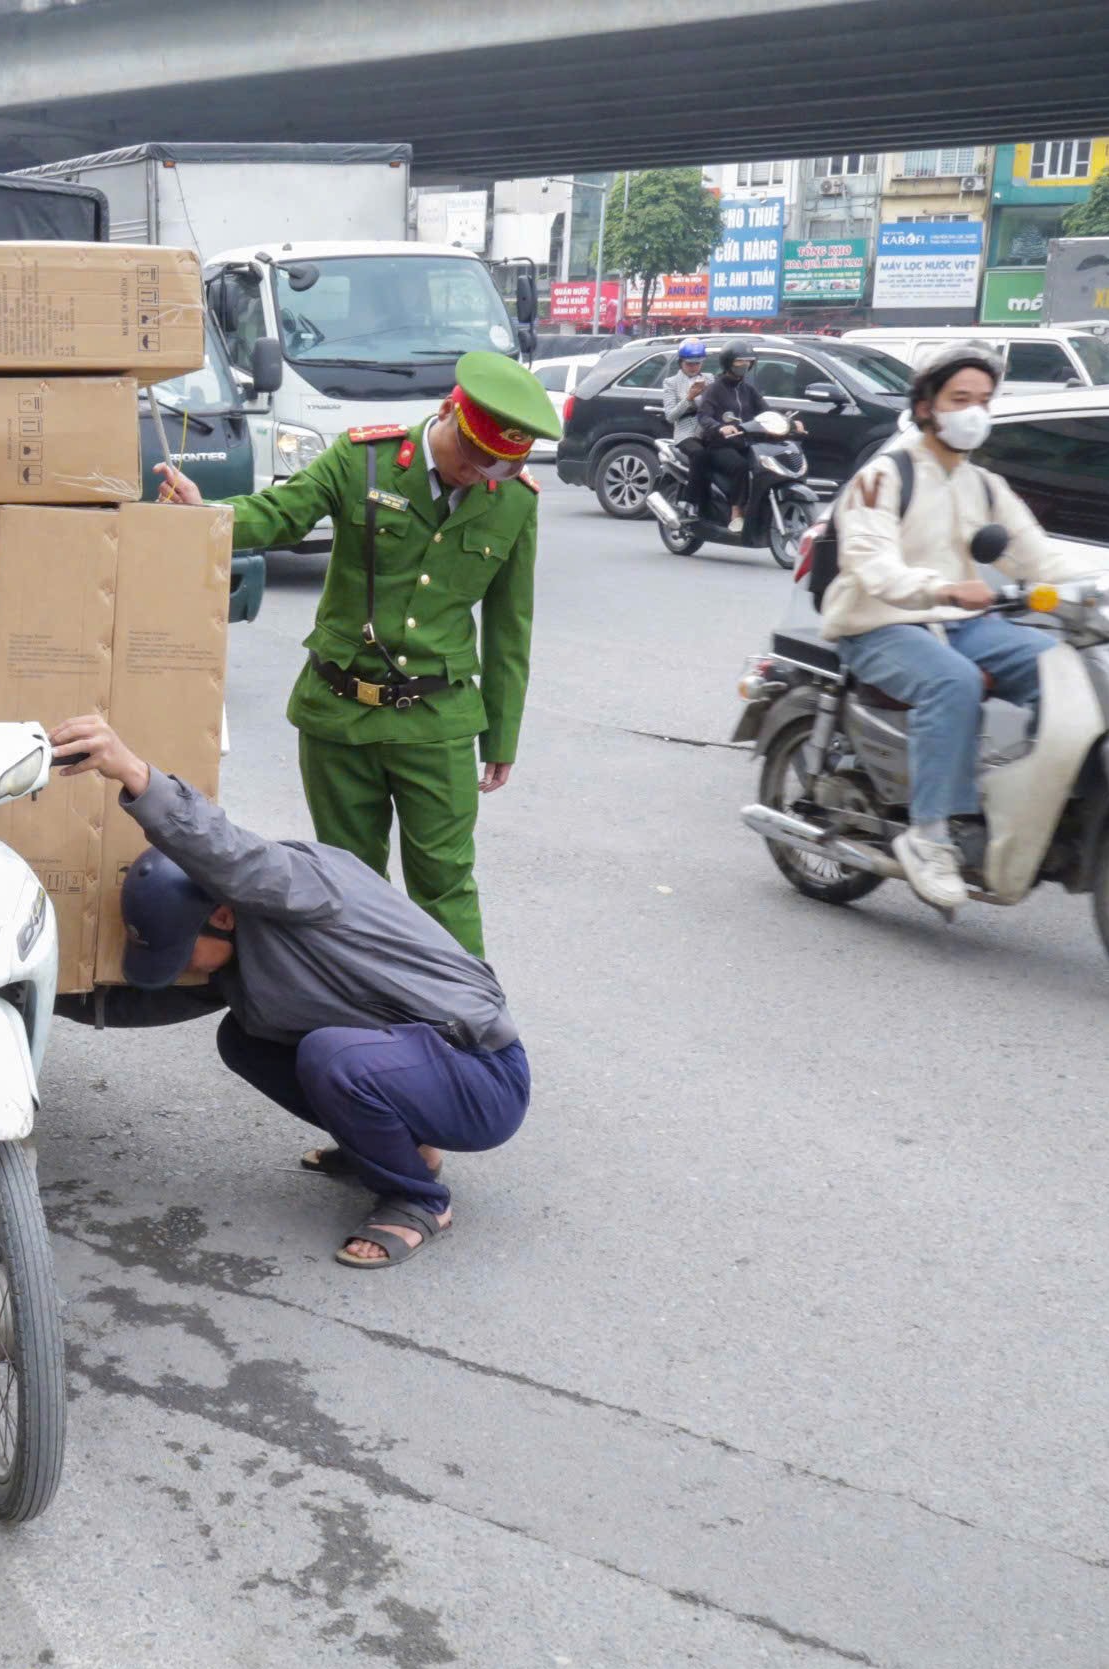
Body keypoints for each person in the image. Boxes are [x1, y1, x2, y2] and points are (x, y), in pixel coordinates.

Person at [49, 715, 528, 1270]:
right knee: (243, 1039)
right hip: (416, 1061)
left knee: (332, 1057)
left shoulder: (306, 886)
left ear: (223, 914)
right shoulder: (241, 957)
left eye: (180, 952)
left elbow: (229, 852)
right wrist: (33, 992)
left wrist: (132, 772)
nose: (181, 968)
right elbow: (138, 1003)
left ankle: (420, 1200)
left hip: (482, 1076)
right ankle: (403, 1150)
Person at [153, 349, 562, 957]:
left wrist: (500, 737)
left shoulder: (515, 501)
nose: (480, 477)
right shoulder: (364, 458)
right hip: (339, 714)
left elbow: (510, 628)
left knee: (445, 885)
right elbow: (282, 514)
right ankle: (362, 1007)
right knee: (350, 881)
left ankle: (467, 1023)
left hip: (437, 722)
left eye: (500, 468)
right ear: (448, 413)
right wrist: (206, 516)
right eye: (473, 459)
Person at [820, 342, 1072, 913]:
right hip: (879, 623)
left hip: (955, 623)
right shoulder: (886, 474)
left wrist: (1107, 588)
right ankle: (928, 834)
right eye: (961, 399)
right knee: (952, 683)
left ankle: (1032, 807)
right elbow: (871, 562)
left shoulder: (984, 485)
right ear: (928, 406)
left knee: (1059, 668)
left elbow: (1040, 555)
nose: (974, 412)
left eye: (984, 400)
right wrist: (941, 587)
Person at [694, 339, 766, 529]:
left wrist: (789, 423)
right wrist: (719, 427)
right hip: (719, 445)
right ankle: (736, 512)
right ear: (728, 363)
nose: (744, 366)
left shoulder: (748, 389)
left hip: (745, 442)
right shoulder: (714, 389)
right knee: (740, 466)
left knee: (763, 466)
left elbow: (766, 412)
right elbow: (704, 416)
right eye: (739, 362)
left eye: (748, 362)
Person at [661, 337, 712, 513]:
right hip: (686, 432)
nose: (694, 367)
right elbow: (670, 415)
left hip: (709, 429)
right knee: (699, 455)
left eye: (698, 364)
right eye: (690, 364)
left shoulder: (709, 379)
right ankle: (691, 501)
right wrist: (689, 398)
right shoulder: (671, 383)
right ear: (681, 362)